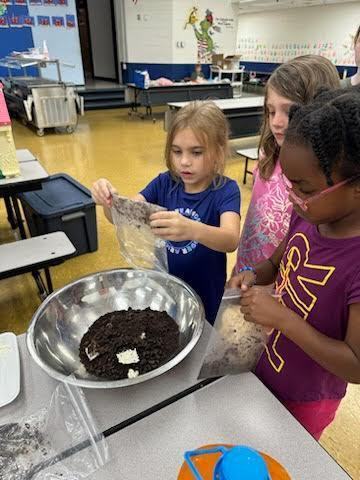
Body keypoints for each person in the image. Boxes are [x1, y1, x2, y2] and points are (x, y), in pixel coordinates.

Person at [230, 87, 360, 440]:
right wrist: (253, 274)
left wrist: (283, 319)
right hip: (268, 365)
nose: (293, 197)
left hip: (305, 399)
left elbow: (355, 363)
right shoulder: (309, 213)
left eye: (302, 187)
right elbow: (278, 259)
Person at [92, 101, 241, 324]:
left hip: (206, 293)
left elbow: (230, 239)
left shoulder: (225, 190)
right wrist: (108, 201)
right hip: (163, 287)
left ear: (218, 151)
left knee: (203, 337)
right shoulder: (164, 183)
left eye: (196, 152)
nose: (184, 162)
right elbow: (121, 217)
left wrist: (192, 229)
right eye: (177, 151)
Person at [231, 55, 340, 276]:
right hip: (249, 268)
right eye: (271, 111)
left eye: (290, 112)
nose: (276, 122)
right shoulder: (267, 156)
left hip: (286, 282)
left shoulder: (327, 180)